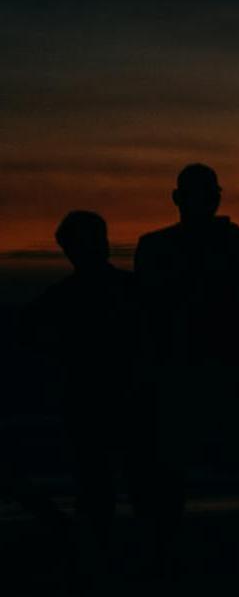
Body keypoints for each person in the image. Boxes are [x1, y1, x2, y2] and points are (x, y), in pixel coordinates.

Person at [134, 163, 239, 556]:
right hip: (200, 374)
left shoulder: (159, 247)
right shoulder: (238, 245)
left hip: (211, 374)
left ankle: (167, 551)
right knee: (184, 474)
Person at [29, 210, 149, 542]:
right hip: (119, 401)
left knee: (101, 486)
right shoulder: (133, 290)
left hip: (97, 403)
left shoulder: (55, 301)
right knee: (131, 484)